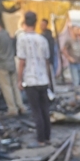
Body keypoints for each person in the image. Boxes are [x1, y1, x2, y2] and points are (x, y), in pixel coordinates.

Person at [16, 11, 54, 144]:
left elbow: (22, 61)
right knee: (45, 109)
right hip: (43, 79)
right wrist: (49, 80)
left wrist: (19, 80)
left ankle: (40, 139)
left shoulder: (22, 39)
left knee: (36, 110)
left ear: (24, 22)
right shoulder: (42, 39)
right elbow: (47, 61)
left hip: (31, 79)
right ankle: (47, 137)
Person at [0, 19, 25, 116]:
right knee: (15, 86)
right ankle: (21, 106)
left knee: (6, 87)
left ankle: (12, 109)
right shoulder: (6, 33)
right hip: (11, 62)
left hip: (2, 64)